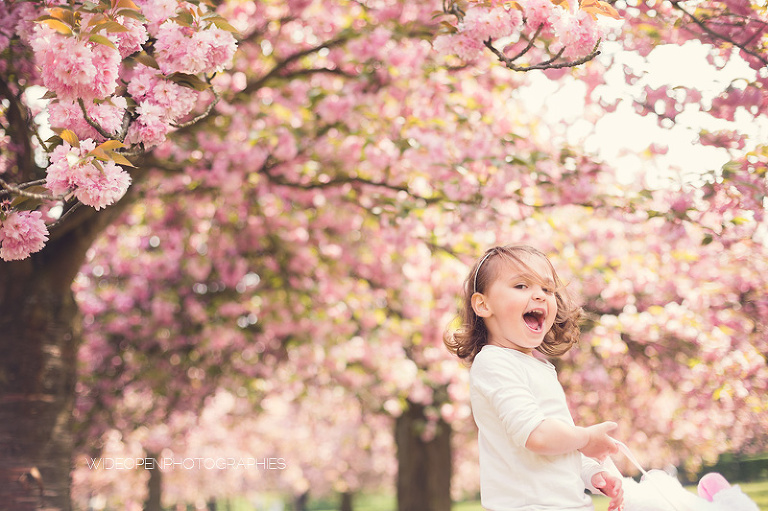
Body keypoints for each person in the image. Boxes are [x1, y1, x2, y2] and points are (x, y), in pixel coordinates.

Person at [444, 244, 624, 511]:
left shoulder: (540, 367)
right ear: (483, 304)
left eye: (547, 289)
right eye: (521, 286)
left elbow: (558, 444)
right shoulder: (494, 363)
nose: (539, 295)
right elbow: (537, 436)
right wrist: (586, 438)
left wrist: (591, 473)